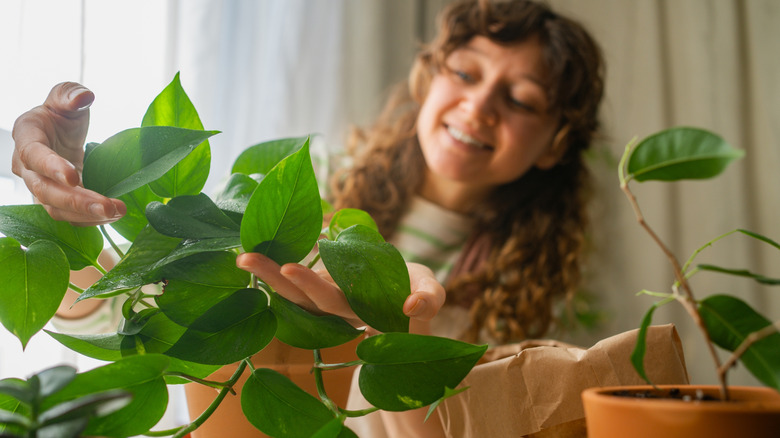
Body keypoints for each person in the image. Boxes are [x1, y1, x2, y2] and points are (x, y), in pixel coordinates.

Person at [11, 0, 604, 435]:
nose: (478, 107)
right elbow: (140, 313)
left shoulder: (547, 288)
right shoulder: (307, 182)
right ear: (430, 75)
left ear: (557, 141)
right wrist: (75, 210)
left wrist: (392, 329)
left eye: (521, 98)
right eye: (466, 73)